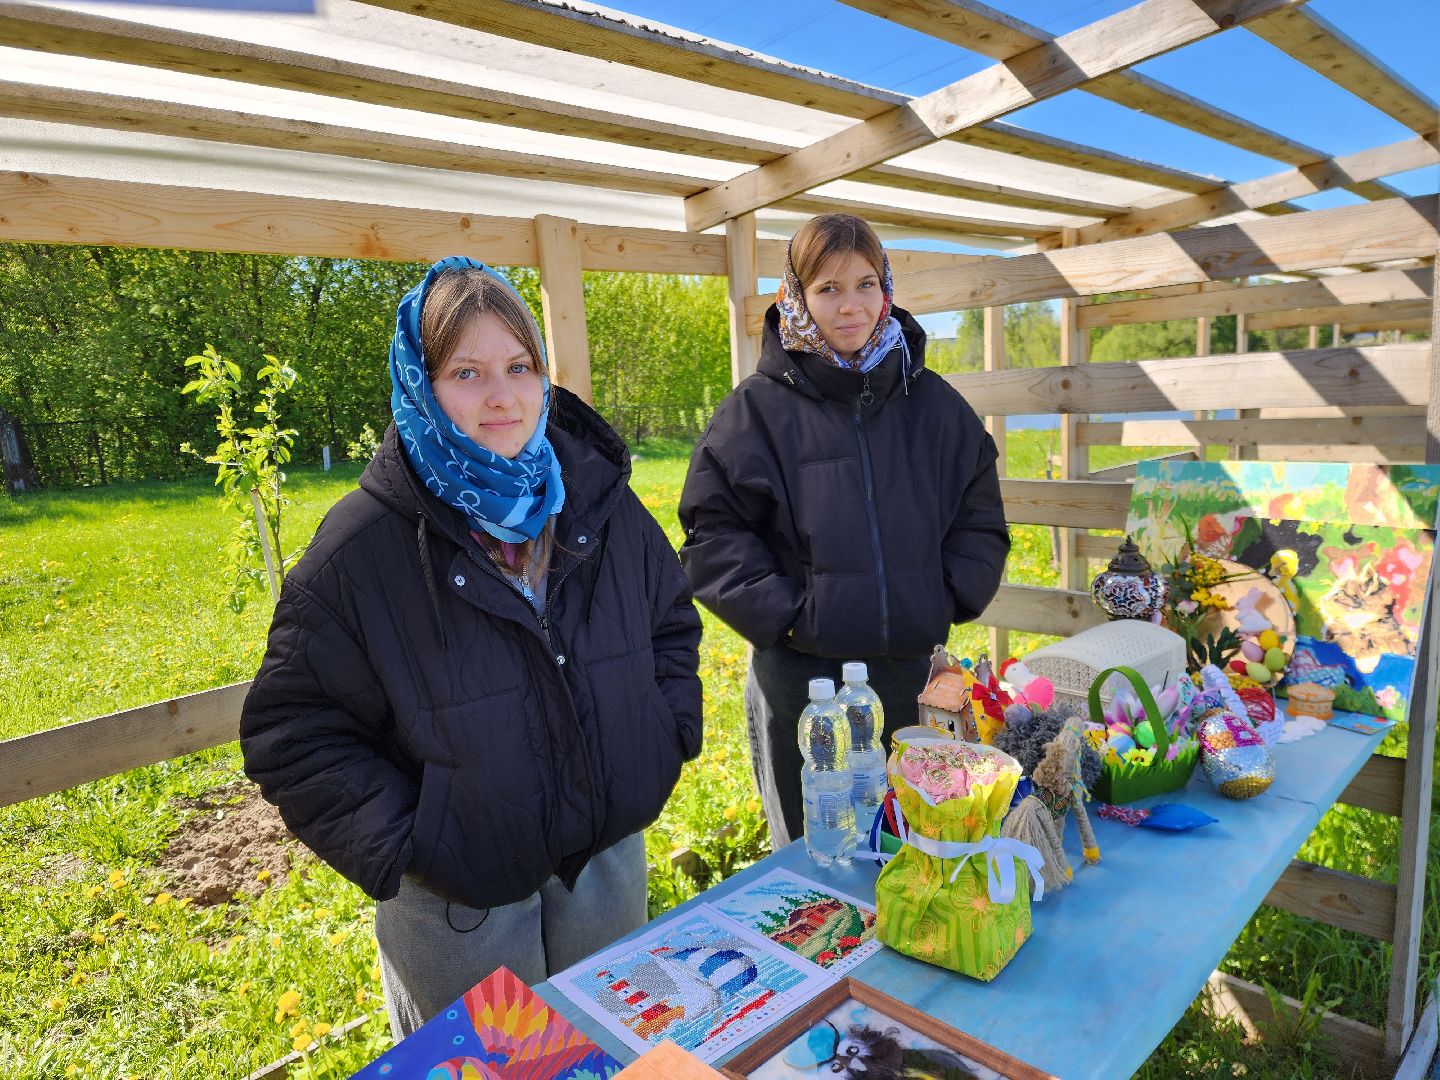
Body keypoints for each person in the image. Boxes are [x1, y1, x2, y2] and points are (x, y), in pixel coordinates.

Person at [241, 256, 702, 1039]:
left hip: (606, 872)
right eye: (467, 372)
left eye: (520, 366)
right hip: (462, 913)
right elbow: (293, 733)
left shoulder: (599, 505)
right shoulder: (362, 550)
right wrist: (425, 844)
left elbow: (669, 628)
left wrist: (659, 743)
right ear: (421, 384)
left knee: (615, 1050)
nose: (503, 396)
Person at [678, 213, 1008, 848]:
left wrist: (946, 594)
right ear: (796, 296)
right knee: (816, 859)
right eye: (827, 289)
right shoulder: (756, 410)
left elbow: (979, 507)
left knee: (916, 844)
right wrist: (791, 616)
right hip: (806, 683)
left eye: (864, 284)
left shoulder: (932, 403)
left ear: (886, 289)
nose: (849, 306)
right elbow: (713, 532)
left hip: (910, 677)